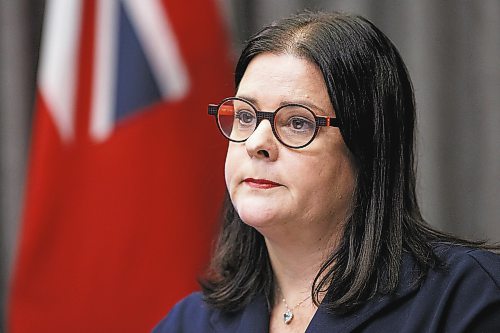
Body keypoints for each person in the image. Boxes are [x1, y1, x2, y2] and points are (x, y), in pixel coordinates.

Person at [153, 11, 500, 332]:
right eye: (245, 116)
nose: (256, 142)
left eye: (298, 122)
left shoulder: (465, 296)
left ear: (366, 147)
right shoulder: (190, 322)